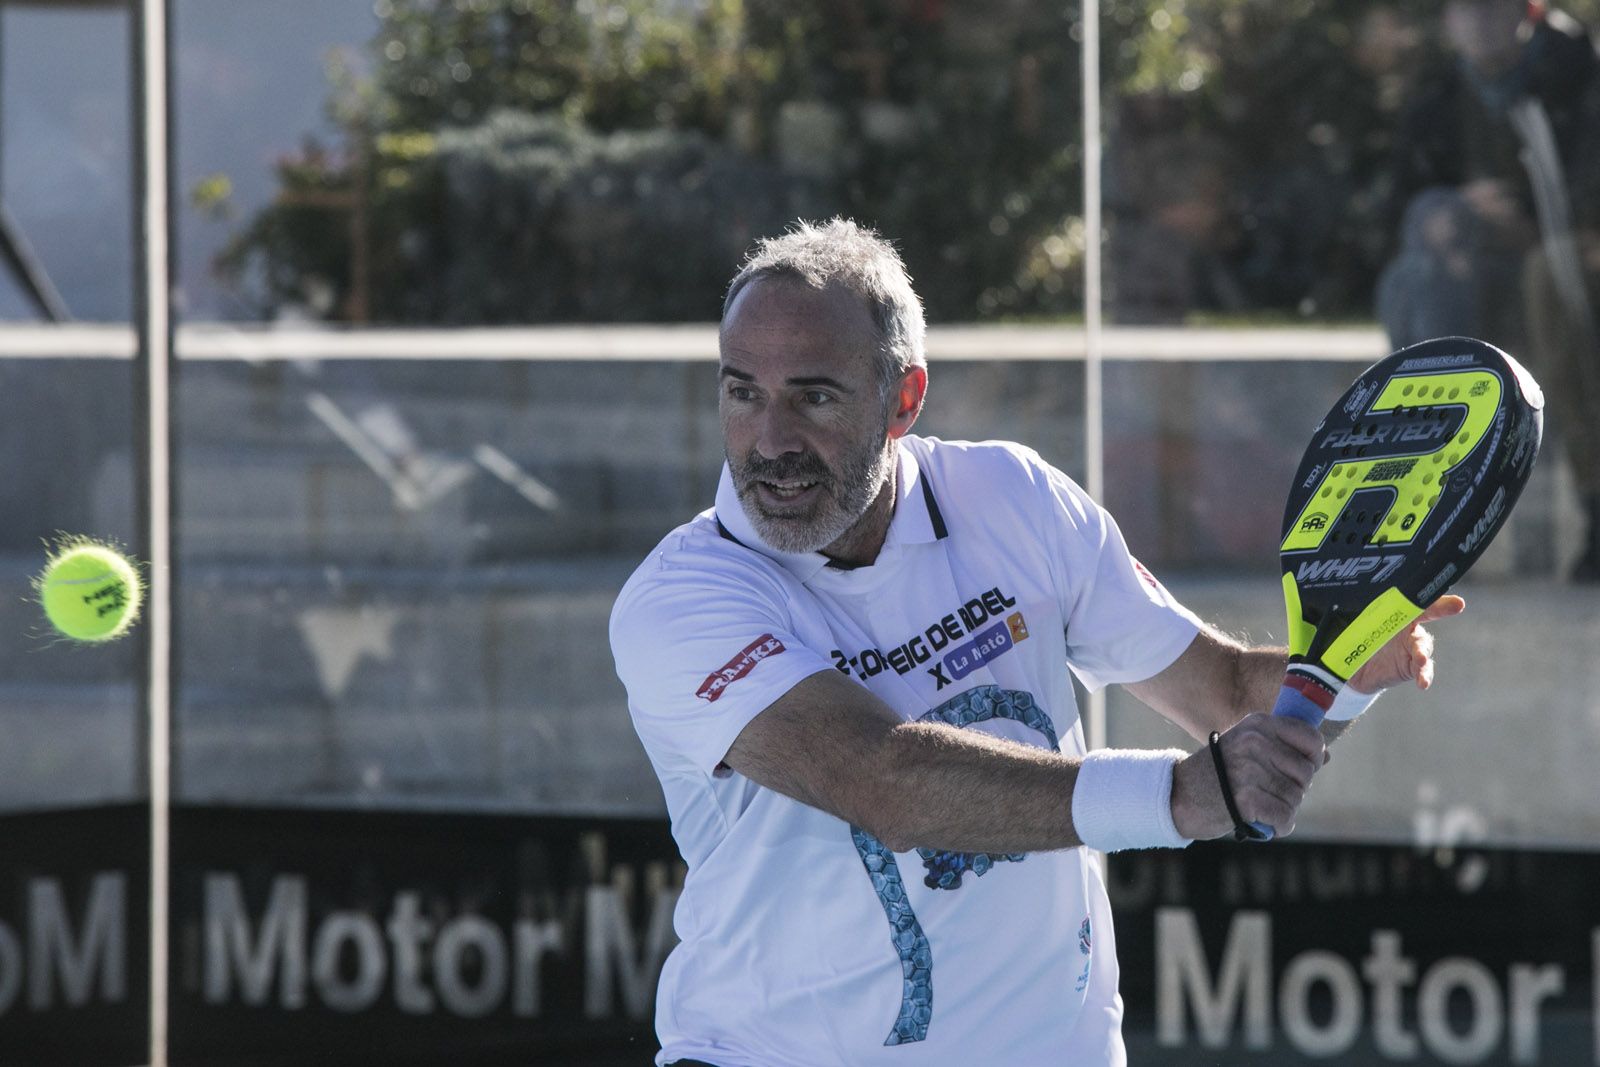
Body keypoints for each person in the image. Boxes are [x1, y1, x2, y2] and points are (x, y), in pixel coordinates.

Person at [609, 218, 1461, 1066]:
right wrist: (1178, 796)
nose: (771, 440)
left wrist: (1345, 669)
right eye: (742, 392)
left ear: (904, 400)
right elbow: (883, 780)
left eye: (814, 395)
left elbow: (1229, 689)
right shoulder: (679, 599)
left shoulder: (1014, 497)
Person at [1378, 0, 1600, 579]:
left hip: (1560, 266)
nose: (1478, 20)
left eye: (1492, 7)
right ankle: (1431, 510)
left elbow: (1582, 202)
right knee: (1418, 280)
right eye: (1463, 8)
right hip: (1470, 278)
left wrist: (1529, 220)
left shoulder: (1579, 75)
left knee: (1550, 278)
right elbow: (1397, 203)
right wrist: (1453, 215)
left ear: (1529, 11)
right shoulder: (1439, 93)